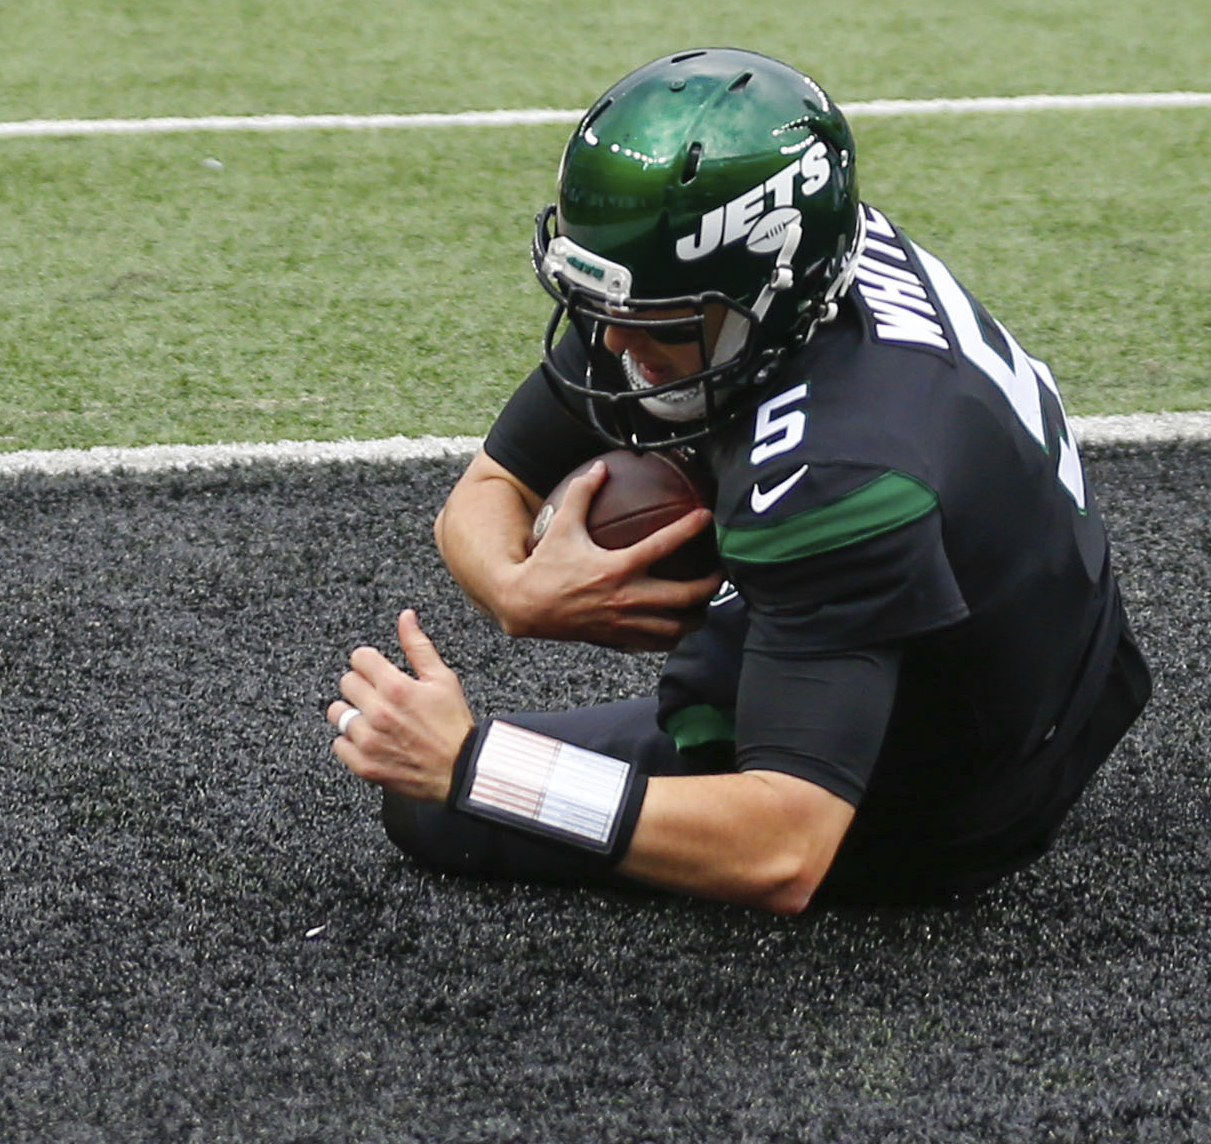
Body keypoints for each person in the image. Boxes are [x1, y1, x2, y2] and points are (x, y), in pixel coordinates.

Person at [325, 49, 1151, 910]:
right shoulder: (765, 266)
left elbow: (784, 848)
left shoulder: (836, 469)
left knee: (431, 805)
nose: (611, 345)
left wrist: (473, 766)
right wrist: (515, 590)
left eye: (650, 321)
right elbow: (493, 482)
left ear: (759, 295)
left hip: (963, 784)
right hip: (1066, 667)